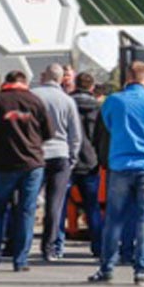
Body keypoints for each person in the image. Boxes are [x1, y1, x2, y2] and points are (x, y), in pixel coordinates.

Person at [90, 62, 144, 286]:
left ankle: (107, 267)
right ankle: (141, 269)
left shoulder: (113, 101)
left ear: (126, 77)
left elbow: (109, 124)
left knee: (114, 218)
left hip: (121, 163)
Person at [0, 71, 50, 273]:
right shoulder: (35, 101)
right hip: (32, 163)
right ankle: (21, 261)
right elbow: (48, 132)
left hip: (2, 164)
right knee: (26, 211)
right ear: (24, 83)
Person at [31, 63, 83, 262]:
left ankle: (23, 243)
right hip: (60, 153)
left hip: (36, 153)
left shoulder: (34, 96)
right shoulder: (67, 101)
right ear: (61, 79)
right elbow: (75, 134)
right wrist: (72, 157)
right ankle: (49, 247)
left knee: (29, 201)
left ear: (44, 76)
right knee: (55, 203)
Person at [67, 72, 105, 259]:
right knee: (92, 206)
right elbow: (101, 137)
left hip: (67, 159)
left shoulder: (67, 103)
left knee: (59, 204)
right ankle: (98, 245)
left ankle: (55, 246)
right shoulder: (98, 108)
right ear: (92, 87)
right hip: (90, 161)